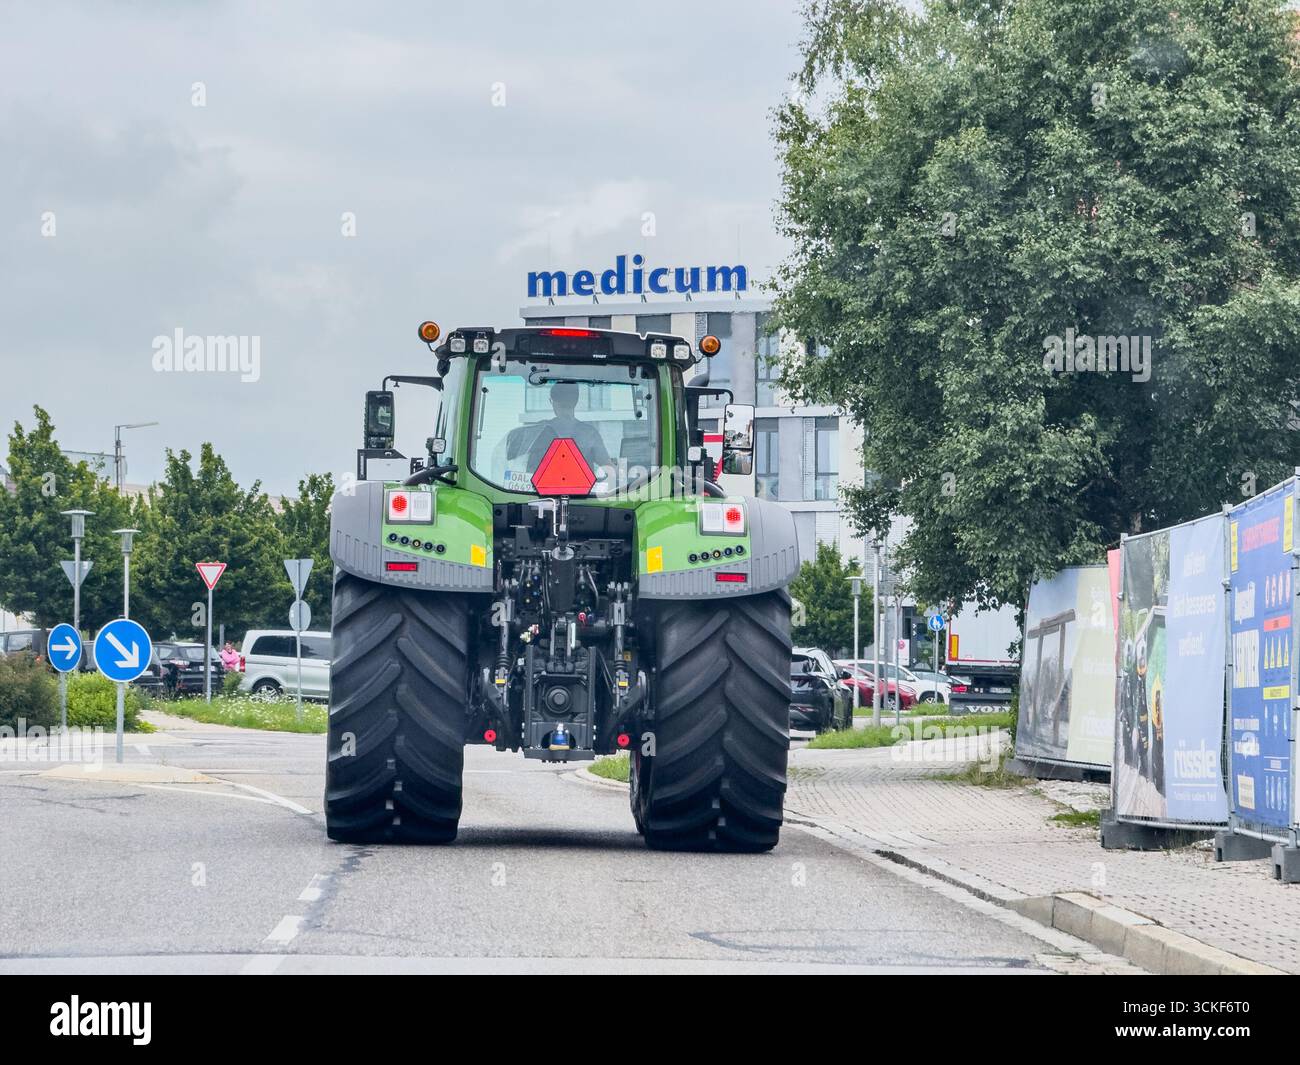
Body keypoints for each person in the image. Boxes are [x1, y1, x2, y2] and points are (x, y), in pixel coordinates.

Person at [525, 381, 613, 476]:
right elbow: (608, 467)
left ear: (554, 402)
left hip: (543, 490)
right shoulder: (590, 433)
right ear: (575, 402)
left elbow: (529, 470)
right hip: (582, 490)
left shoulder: (540, 430)